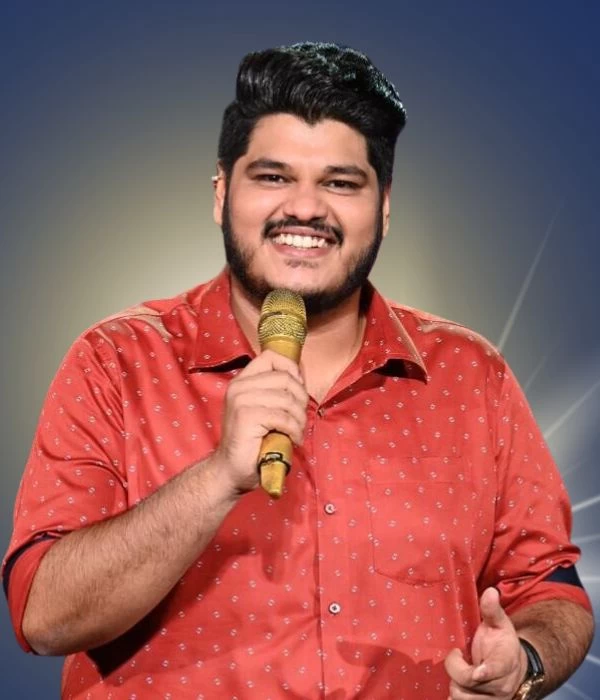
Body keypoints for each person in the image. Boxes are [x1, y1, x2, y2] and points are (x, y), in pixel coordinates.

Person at [2, 42, 594, 700]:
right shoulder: (116, 362)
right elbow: (43, 616)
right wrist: (217, 478)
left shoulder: (471, 377)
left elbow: (551, 590)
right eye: (273, 177)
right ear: (222, 193)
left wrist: (524, 663)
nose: (306, 209)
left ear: (384, 204)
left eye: (340, 183)